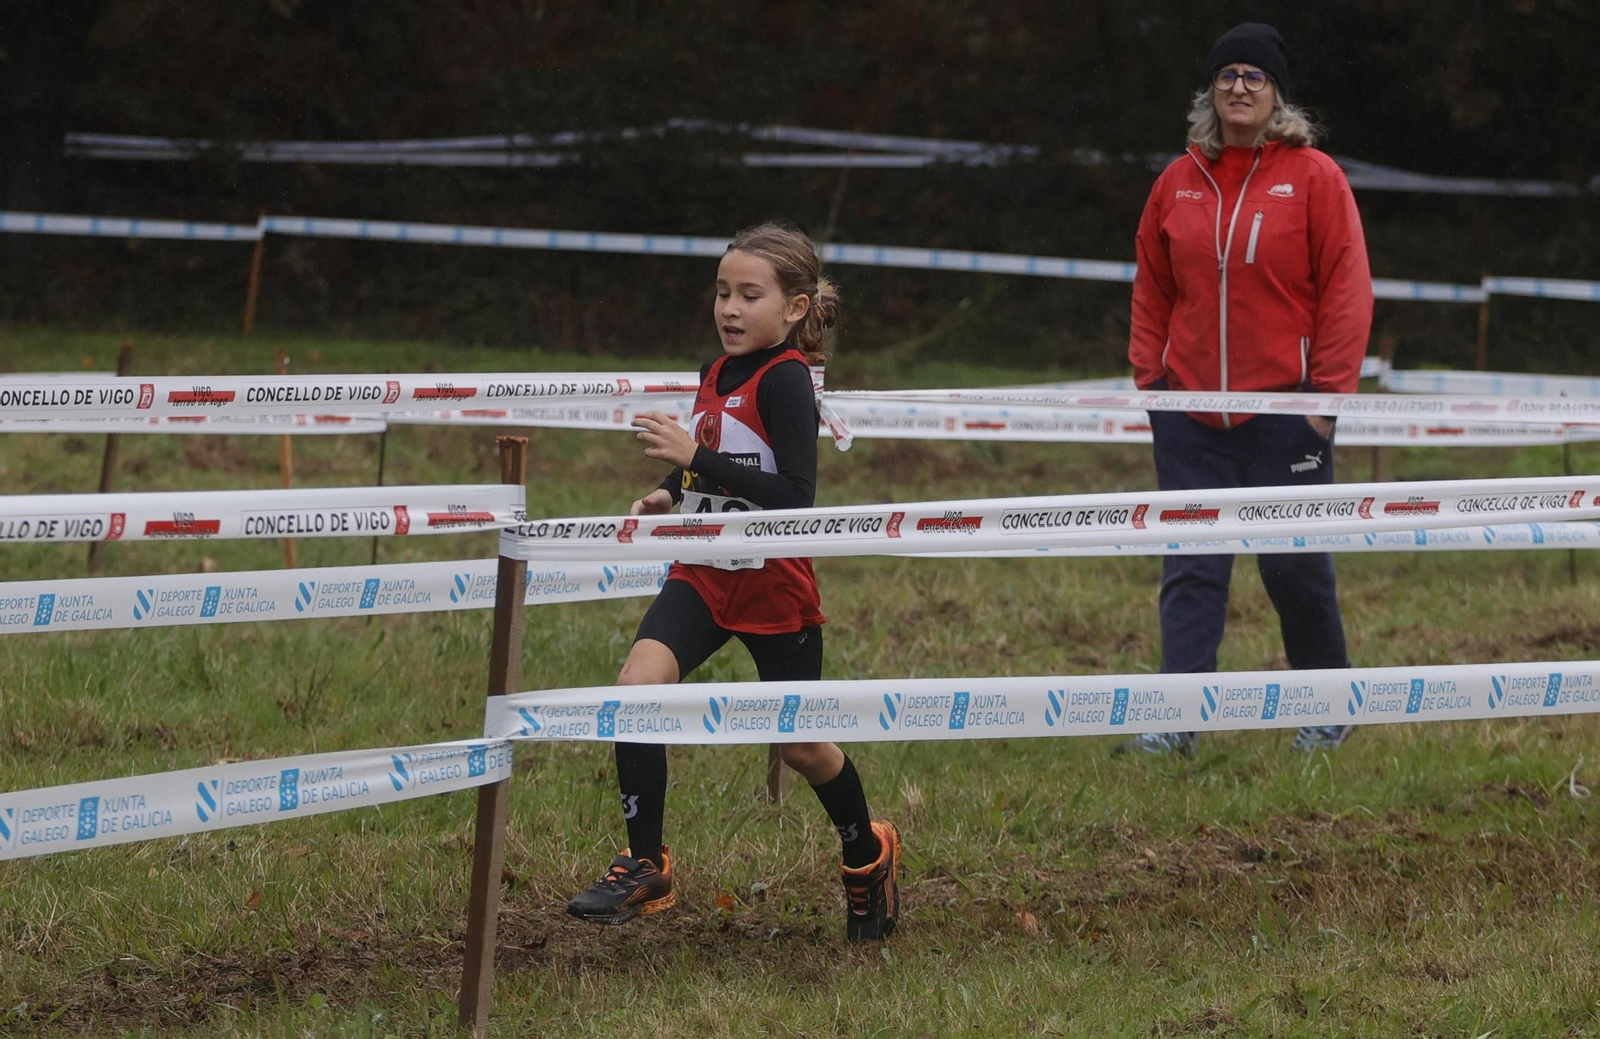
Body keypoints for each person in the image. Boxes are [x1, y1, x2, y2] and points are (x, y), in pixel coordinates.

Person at [564, 222, 902, 941]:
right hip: (703, 573)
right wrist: (670, 489)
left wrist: (694, 457)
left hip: (773, 584)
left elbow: (794, 496)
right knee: (635, 690)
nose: (730, 308)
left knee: (800, 746)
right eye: (722, 292)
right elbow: (715, 457)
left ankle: (867, 855)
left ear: (795, 308)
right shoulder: (714, 371)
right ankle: (645, 862)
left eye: (750, 295)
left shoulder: (785, 379)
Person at [1122, 22, 1373, 755]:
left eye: (1254, 76)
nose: (1239, 86)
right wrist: (1154, 386)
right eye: (1227, 74)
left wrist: (1325, 402)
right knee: (1192, 566)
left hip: (1287, 413)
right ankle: (1178, 720)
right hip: (1190, 414)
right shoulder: (1177, 181)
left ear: (1276, 94)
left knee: (1294, 565)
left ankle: (1328, 706)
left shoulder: (1315, 177)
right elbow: (1152, 287)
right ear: (1211, 92)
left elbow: (1347, 289)